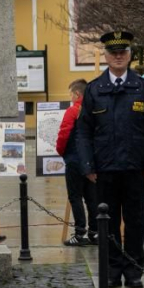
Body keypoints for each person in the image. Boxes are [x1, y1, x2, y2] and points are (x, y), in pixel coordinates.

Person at [75, 31, 144, 288]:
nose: (118, 57)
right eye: (113, 53)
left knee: (136, 221)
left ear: (129, 55)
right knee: (108, 222)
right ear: (105, 56)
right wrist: (88, 166)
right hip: (104, 170)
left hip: (135, 168)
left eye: (122, 52)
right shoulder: (94, 90)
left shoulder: (143, 89)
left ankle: (134, 270)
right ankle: (112, 270)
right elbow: (83, 132)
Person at [55, 79, 97, 247]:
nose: (70, 97)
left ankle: (80, 233)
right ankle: (95, 233)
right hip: (92, 160)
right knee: (92, 198)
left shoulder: (73, 111)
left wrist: (61, 152)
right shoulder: (95, 110)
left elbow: (63, 134)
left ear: (77, 94)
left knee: (75, 196)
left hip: (74, 159)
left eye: (71, 94)